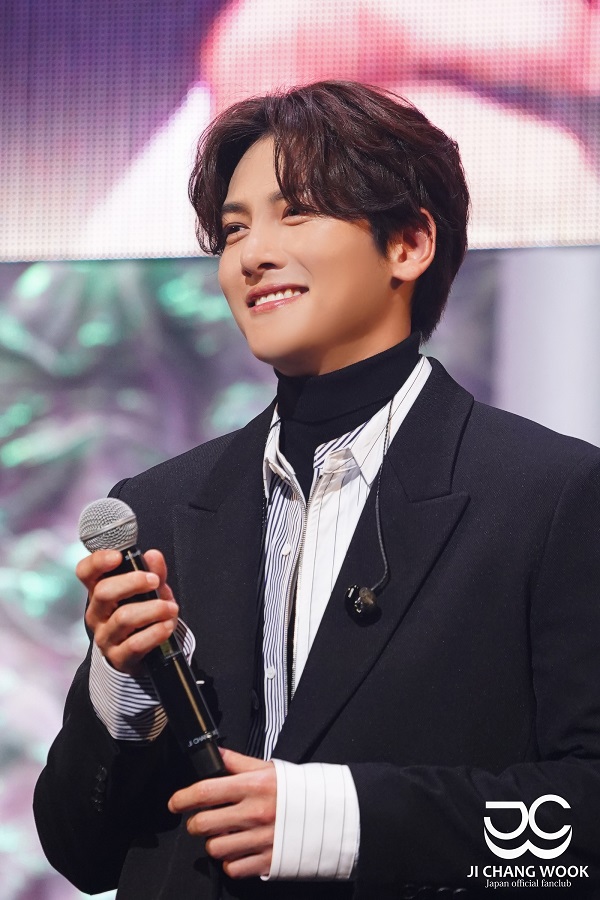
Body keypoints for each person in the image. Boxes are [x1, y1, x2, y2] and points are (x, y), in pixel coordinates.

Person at [34, 81, 600, 899]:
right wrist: (119, 685)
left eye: (296, 213)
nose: (252, 255)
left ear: (409, 244)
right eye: (234, 229)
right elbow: (79, 854)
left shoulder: (552, 498)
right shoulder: (159, 511)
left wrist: (340, 819)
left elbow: (583, 831)